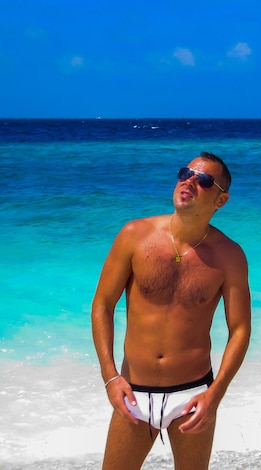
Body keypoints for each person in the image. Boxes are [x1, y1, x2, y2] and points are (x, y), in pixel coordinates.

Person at [91, 152, 251, 469]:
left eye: (203, 180)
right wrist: (110, 378)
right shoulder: (134, 236)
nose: (189, 181)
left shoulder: (229, 255)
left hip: (193, 395)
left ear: (221, 200)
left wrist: (215, 394)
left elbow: (240, 330)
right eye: (185, 173)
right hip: (133, 393)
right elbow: (102, 305)